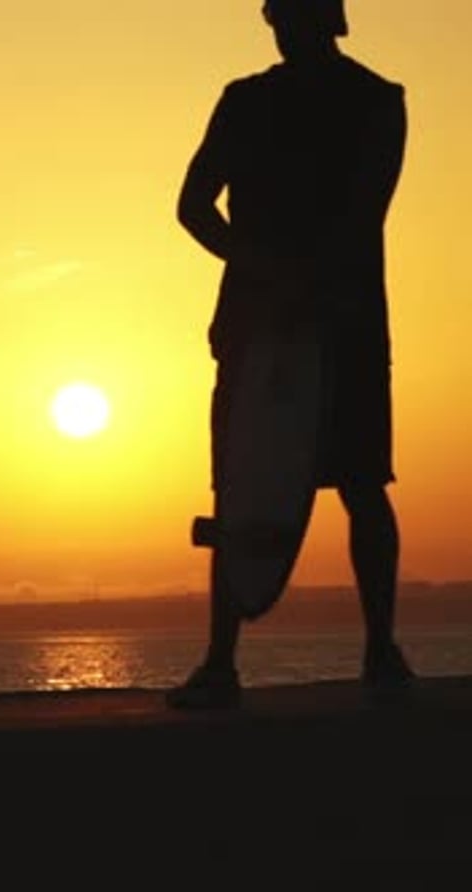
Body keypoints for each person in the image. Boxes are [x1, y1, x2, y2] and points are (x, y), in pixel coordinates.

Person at [167, 0, 414, 708]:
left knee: (364, 484)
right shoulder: (246, 101)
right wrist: (265, 270)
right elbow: (192, 205)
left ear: (326, 22)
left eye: (295, 17)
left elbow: (365, 207)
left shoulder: (377, 102)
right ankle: (221, 662)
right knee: (243, 488)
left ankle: (381, 647)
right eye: (282, 18)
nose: (286, 31)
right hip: (266, 322)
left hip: (342, 323)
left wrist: (281, 276)